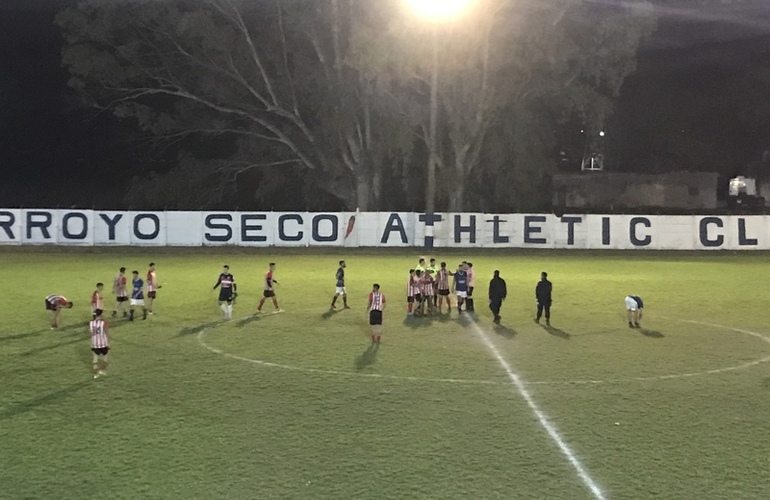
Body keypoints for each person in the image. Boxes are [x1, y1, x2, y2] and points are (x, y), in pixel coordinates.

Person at [89, 309, 110, 378]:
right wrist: (109, 342)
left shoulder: (91, 323)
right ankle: (102, 370)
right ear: (101, 314)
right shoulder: (104, 322)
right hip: (103, 343)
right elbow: (106, 332)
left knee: (95, 358)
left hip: (95, 343)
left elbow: (91, 333)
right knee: (105, 358)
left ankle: (96, 373)